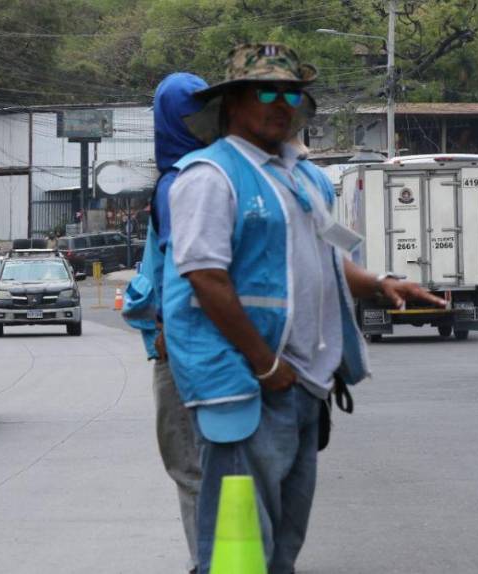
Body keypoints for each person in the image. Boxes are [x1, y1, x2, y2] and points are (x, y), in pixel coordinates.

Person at [162, 43, 445, 574]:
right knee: (237, 551)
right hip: (245, 385)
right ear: (231, 103)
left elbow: (330, 261)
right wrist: (265, 365)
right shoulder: (208, 175)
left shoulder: (305, 178)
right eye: (265, 91)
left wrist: (382, 283)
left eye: (292, 93)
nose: (281, 103)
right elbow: (204, 277)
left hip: (302, 384)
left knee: (283, 545)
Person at [122, 72, 209, 574]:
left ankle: (209, 562)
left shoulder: (179, 184)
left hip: (184, 346)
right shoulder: (225, 174)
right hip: (232, 344)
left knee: (189, 464)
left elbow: (188, 270)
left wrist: (165, 330)